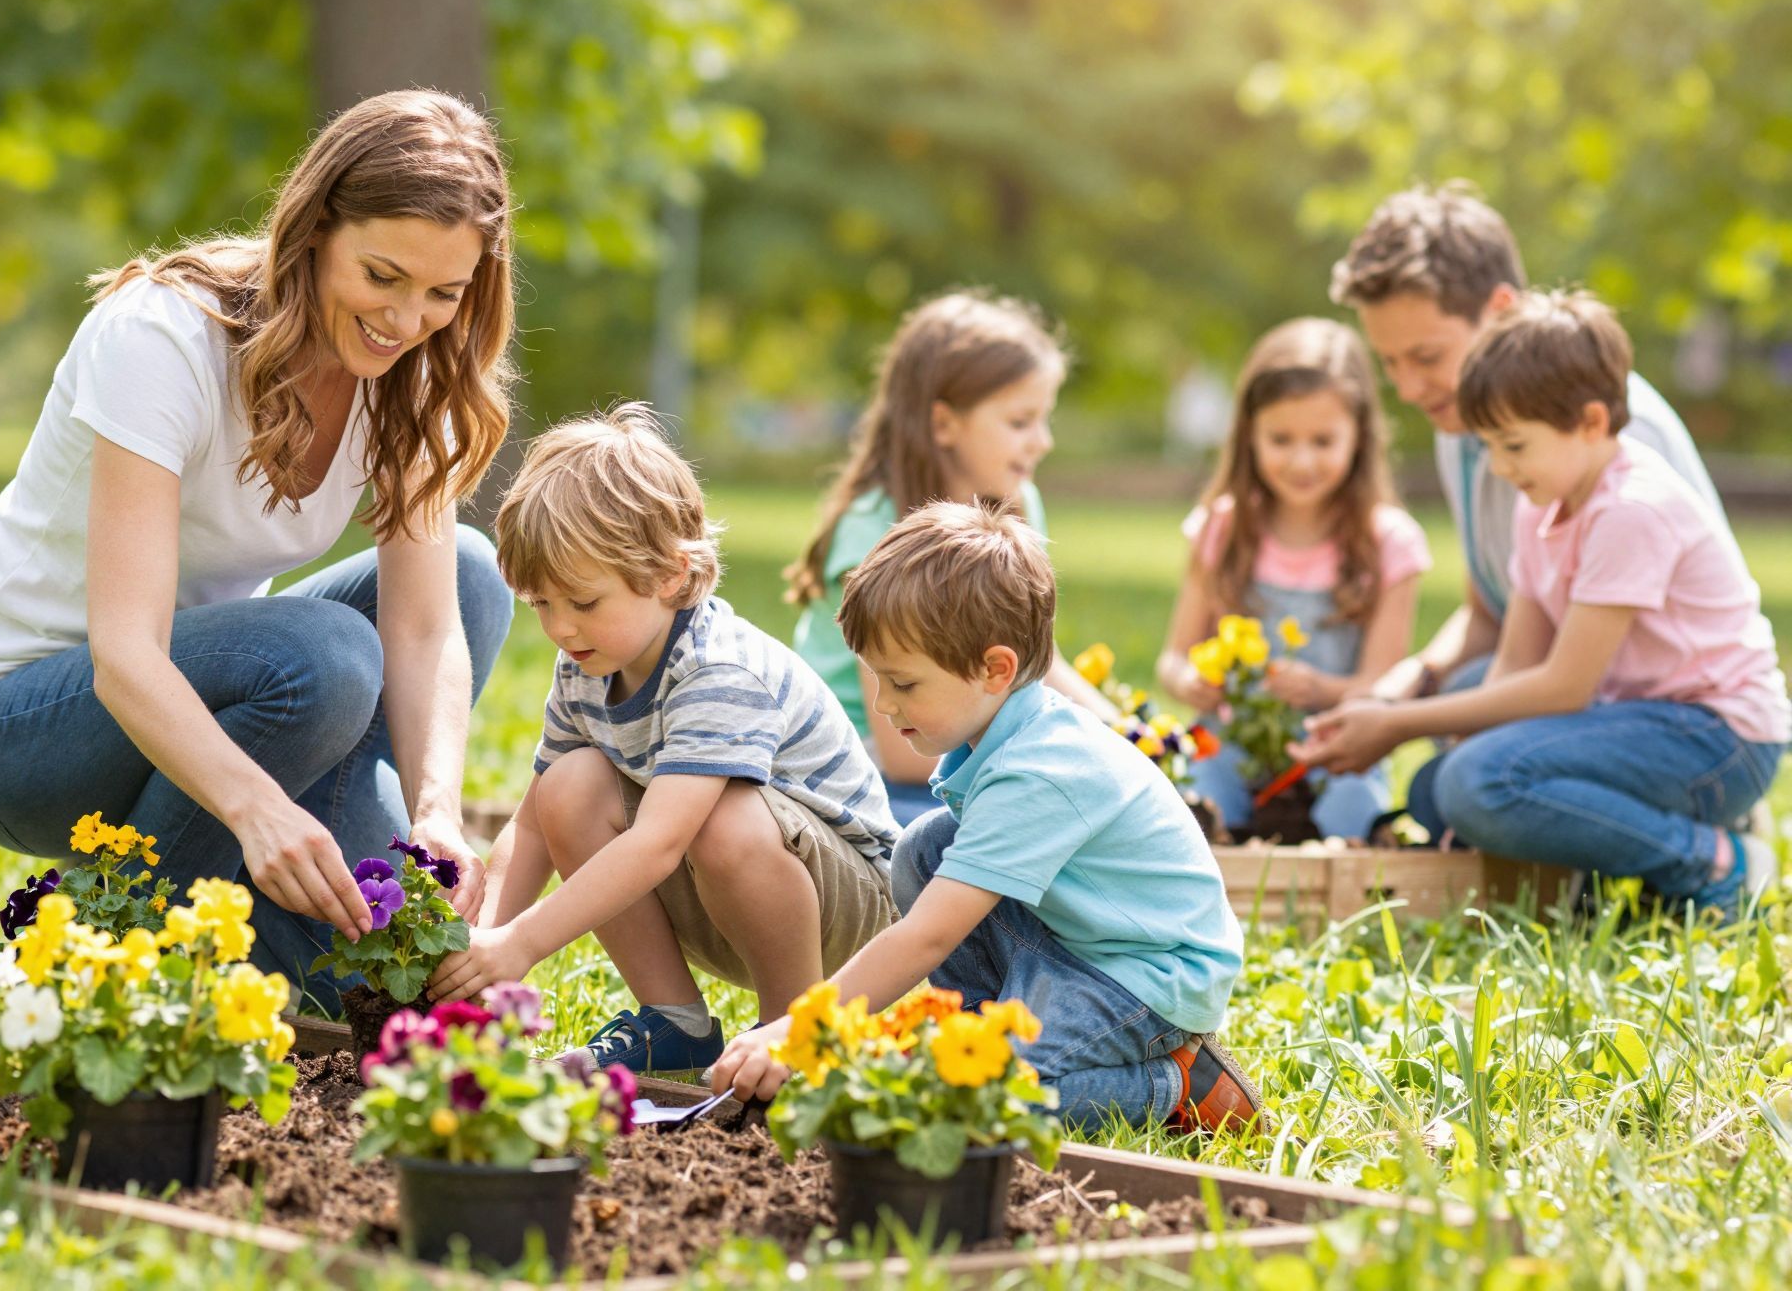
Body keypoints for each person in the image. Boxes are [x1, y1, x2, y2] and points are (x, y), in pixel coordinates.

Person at [0, 90, 518, 1008]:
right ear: (316, 230)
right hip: (20, 726)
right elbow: (125, 655)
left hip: (219, 704)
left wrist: (437, 809)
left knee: (473, 576)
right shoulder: (163, 338)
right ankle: (111, 943)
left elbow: (430, 625)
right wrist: (256, 809)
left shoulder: (416, 373)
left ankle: (270, 936)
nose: (407, 320)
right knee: (325, 660)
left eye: (445, 293)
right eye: (383, 276)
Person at [712, 502, 1257, 1131]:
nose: (884, 704)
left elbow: (929, 935)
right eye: (878, 681)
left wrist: (798, 1031)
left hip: (1143, 977)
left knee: (978, 1104)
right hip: (1082, 941)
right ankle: (980, 1026)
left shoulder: (1041, 770)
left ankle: (1176, 1082)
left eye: (905, 684)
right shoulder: (999, 731)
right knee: (927, 849)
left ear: (995, 670)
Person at [429, 405, 900, 1073]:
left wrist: (526, 944)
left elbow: (659, 844)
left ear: (672, 576)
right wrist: (483, 948)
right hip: (725, 893)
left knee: (723, 815)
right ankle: (675, 1021)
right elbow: (534, 827)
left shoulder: (719, 670)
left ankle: (795, 1035)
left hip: (850, 918)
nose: (561, 628)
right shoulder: (588, 663)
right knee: (567, 787)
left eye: (583, 603)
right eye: (542, 604)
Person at [1296, 292, 1787, 910]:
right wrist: (1448, 744)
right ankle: (1593, 874)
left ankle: (1716, 861)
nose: (1499, 467)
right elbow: (1516, 664)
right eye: (1489, 447)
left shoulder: (1632, 509)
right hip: (1634, 717)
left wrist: (1397, 724)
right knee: (1437, 790)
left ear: (1590, 422)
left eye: (1514, 446)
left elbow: (1562, 688)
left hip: (1719, 740)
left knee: (1480, 783)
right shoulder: (1543, 505)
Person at [1328, 182, 1726, 708]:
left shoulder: (1606, 435)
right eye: (1390, 363)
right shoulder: (1464, 425)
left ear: (1500, 309)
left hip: (1646, 710)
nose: (1407, 389)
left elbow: (1591, 668)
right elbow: (1488, 611)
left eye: (1426, 357)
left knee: (1466, 721)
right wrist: (1407, 686)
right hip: (1544, 684)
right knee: (1458, 700)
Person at [787, 291, 1124, 825]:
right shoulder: (874, 530)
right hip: (859, 765)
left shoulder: (1016, 503)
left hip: (953, 740)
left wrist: (1121, 733)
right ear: (944, 424)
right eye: (1020, 422)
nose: (1043, 441)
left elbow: (1041, 659)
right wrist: (1047, 760)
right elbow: (901, 754)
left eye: (1044, 419)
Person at [1155, 319, 1429, 839]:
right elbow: (1172, 658)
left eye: (1323, 440)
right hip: (1231, 745)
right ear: (1249, 435)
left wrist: (1326, 689)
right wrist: (1190, 680)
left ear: (1360, 436)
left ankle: (1348, 856)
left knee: (1354, 799)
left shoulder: (1389, 542)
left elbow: (1384, 684)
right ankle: (1219, 852)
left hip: (1333, 751)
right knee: (1192, 801)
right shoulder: (1224, 528)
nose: (1302, 460)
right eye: (1281, 439)